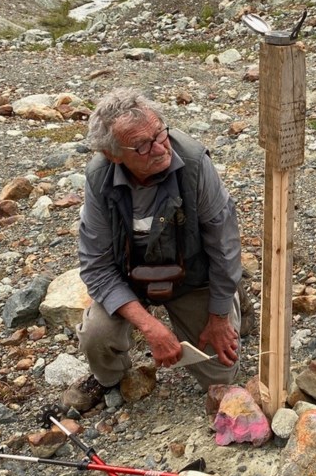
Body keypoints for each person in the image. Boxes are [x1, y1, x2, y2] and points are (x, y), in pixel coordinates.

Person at [63, 88, 244, 412]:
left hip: (192, 275)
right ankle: (109, 380)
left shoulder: (192, 162)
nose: (160, 148)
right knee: (96, 335)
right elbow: (96, 266)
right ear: (114, 155)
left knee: (223, 378)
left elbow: (224, 244)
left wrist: (218, 316)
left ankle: (233, 299)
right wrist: (149, 325)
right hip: (130, 279)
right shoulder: (99, 177)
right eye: (143, 146)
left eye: (160, 132)